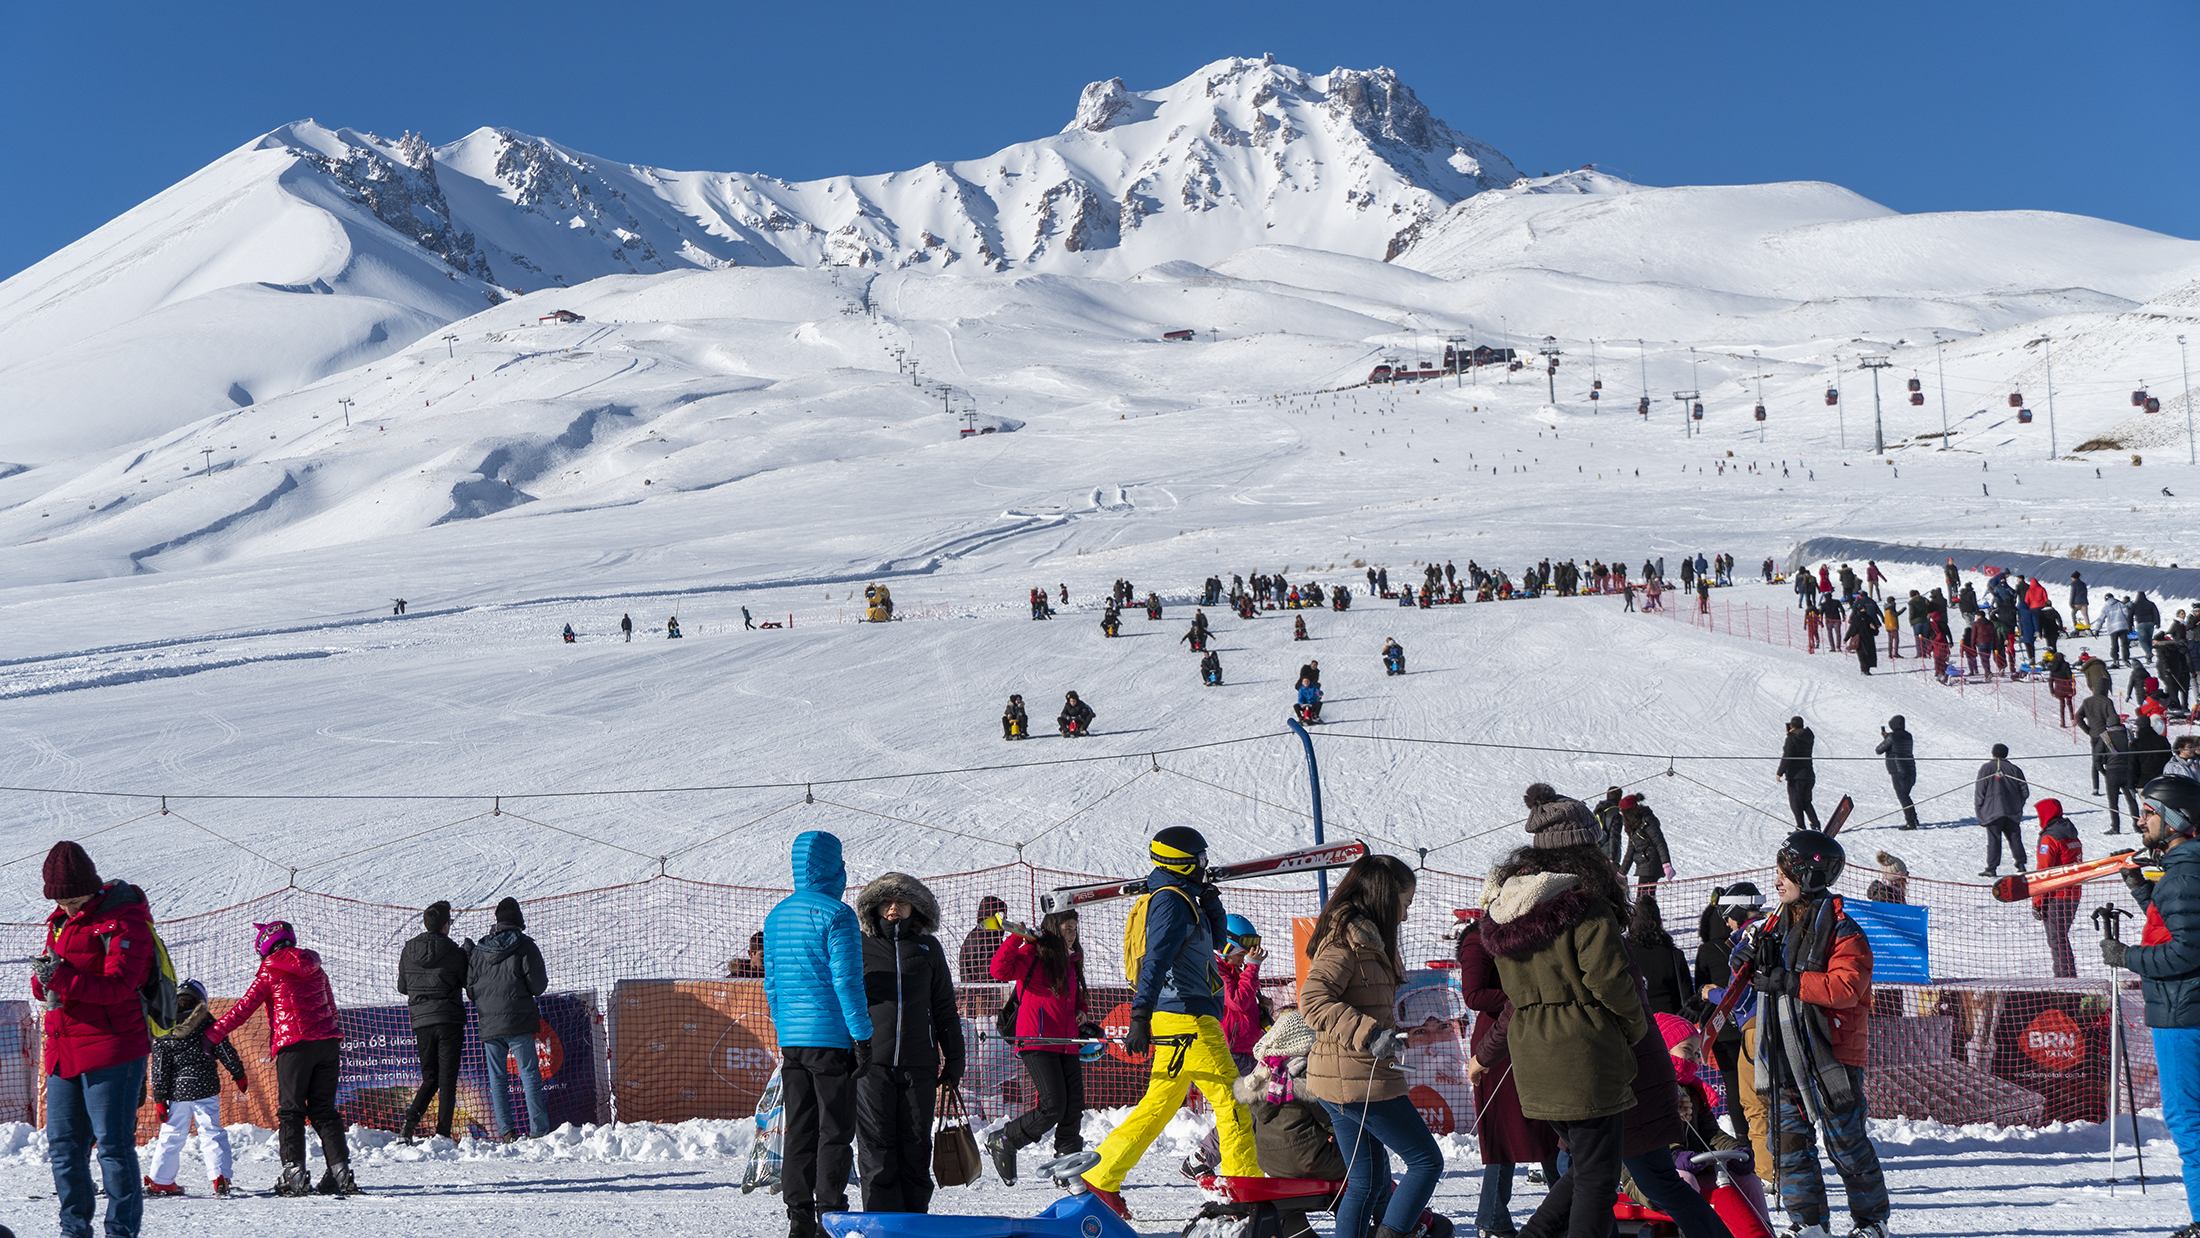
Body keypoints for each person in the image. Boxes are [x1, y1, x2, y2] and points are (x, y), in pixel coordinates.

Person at [1479, 785, 1652, 1238]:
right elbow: (1610, 981)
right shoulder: (1585, 907)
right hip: (1584, 1053)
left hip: (1533, 1057)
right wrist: (1634, 1028)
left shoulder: (1506, 908)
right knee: (1597, 1177)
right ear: (1585, 850)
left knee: (1587, 1166)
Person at [1081, 827, 1255, 1219]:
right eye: (1202, 860)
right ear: (1184, 862)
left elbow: (1208, 944)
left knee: (1160, 1103)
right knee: (1234, 1103)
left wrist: (1211, 903)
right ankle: (1247, 1189)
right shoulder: (1171, 903)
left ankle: (1102, 1173)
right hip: (1190, 1019)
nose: (1206, 866)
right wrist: (1139, 1014)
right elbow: (1155, 961)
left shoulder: (1183, 899)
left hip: (1180, 1018)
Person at [1743, 830, 1889, 1238]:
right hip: (1784, 1054)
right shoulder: (1775, 926)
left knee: (1846, 1145)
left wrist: (1789, 981)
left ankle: (1872, 1222)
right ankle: (1808, 1224)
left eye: (1783, 872)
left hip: (1832, 1056)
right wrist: (1745, 957)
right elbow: (1758, 971)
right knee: (1788, 1147)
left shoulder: (1845, 931)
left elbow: (1845, 989)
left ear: (1806, 876)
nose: (1776, 880)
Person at [1301, 854, 1448, 1238]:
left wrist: (1386, 1033)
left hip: (1346, 1078)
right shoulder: (1345, 940)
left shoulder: (1364, 938)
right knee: (1426, 1161)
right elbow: (1313, 1000)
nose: (1404, 916)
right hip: (1356, 1077)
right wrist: (1369, 1033)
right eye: (1404, 904)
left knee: (1366, 1181)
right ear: (1384, 897)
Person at [35, 841, 155, 1234]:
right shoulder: (59, 922)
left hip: (113, 1048)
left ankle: (120, 1231)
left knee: (113, 1149)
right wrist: (43, 980)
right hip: (63, 1048)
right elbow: (54, 986)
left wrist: (63, 978)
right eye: (60, 900)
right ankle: (74, 1229)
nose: (67, 907)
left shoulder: (125, 919)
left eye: (73, 899)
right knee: (63, 1149)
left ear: (92, 886)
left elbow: (121, 986)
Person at [2099, 774, 2200, 1238]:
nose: (2140, 821)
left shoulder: (2183, 874)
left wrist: (2126, 957)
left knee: (2187, 1117)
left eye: (2149, 812)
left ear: (2176, 818)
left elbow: (2185, 952)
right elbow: (2176, 927)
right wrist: (2142, 889)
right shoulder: (2183, 871)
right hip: (2185, 1008)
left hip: (2183, 1012)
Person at [764, 831, 874, 1238]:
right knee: (836, 1131)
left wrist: (785, 1027)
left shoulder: (776, 915)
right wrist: (862, 1037)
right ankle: (831, 1213)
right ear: (836, 867)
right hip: (832, 1041)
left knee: (801, 1127)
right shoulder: (838, 914)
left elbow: (771, 984)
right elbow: (847, 982)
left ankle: (798, 1219)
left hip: (793, 1041)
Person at [206, 920, 353, 1197]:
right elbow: (332, 1007)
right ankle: (340, 1171)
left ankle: (294, 1173)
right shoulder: (315, 966)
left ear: (265, 945)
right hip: (327, 1043)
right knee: (324, 1111)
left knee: (292, 1111)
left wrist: (212, 1034)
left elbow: (243, 1009)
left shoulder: (270, 970)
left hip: (294, 1046)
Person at [853, 872, 964, 1214]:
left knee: (916, 1145)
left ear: (914, 908)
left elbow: (945, 1006)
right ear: (875, 907)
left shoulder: (929, 948)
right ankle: (882, 1224)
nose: (893, 909)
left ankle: (915, 1220)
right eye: (887, 902)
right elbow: (847, 999)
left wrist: (955, 1059)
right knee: (876, 1147)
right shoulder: (859, 946)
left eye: (901, 902)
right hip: (872, 1064)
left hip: (920, 1063)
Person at [1457, 907, 1561, 1237]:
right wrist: (1527, 996)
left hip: (1528, 1037)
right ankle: (1492, 1218)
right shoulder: (1477, 941)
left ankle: (1569, 1207)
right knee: (1505, 1134)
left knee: (1549, 1129)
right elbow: (1473, 995)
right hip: (1498, 1043)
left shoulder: (1516, 938)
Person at [986, 911, 1096, 1184]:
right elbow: (998, 970)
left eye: (1074, 928)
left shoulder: (1071, 959)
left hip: (1066, 1042)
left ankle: (1067, 1160)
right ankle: (1007, 1138)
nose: (1072, 933)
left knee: (1072, 1106)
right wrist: (1015, 938)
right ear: (1052, 928)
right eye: (1067, 927)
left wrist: (1081, 1011)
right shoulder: (1033, 954)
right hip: (1036, 1039)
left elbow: (1074, 995)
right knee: (1052, 1105)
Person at [143, 979, 247, 1198]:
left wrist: (160, 1098)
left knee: (171, 1134)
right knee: (211, 1132)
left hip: (178, 1094)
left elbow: (159, 1069)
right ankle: (220, 1177)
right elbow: (225, 1050)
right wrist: (238, 1073)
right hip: (205, 1089)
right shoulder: (208, 1024)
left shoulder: (165, 1028)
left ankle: (161, 1180)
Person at [1695, 883, 1764, 1159]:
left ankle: (1756, 1157)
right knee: (1768, 1093)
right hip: (1775, 1024)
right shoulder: (1770, 932)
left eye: (1728, 914)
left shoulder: (1741, 945)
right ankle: (1777, 1156)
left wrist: (1711, 994)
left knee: (1745, 1095)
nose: (1726, 921)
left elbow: (1738, 996)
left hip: (1745, 1025)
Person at [397, 899, 472, 1143]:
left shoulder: (408, 949)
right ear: (445, 925)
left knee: (430, 1078)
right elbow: (466, 982)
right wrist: (468, 956)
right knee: (447, 1080)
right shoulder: (454, 951)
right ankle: (443, 1135)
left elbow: (402, 987)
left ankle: (409, 1122)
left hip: (422, 1021)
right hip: (448, 1020)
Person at [2032, 800, 2080, 978]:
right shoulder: (2071, 833)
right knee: (2061, 937)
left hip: (2056, 895)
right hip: (2073, 892)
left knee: (2057, 939)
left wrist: (2037, 901)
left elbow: (2043, 872)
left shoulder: (2049, 837)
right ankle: (2066, 977)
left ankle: (2065, 980)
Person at [1628, 894, 1697, 1019]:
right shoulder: (1674, 955)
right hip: (1670, 1025)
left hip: (1635, 1025)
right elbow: (1688, 997)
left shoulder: (1624, 954)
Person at [1974, 743, 2030, 878]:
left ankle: (1992, 868)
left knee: (1994, 839)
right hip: (2012, 811)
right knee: (2015, 837)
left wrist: (1979, 810)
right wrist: (2018, 805)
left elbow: (1980, 791)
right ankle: (2021, 864)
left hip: (1992, 811)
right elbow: (2025, 792)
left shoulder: (1986, 768)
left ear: (1993, 754)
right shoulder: (2014, 769)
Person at [1617, 794, 1673, 892]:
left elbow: (1659, 842)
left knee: (1643, 900)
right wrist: (1621, 873)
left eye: (1623, 813)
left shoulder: (1647, 821)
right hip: (1644, 865)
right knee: (1644, 900)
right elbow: (1631, 850)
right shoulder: (1634, 825)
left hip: (1651, 864)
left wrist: (1666, 864)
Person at [1776, 716, 1821, 830]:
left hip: (1795, 776)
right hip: (1808, 774)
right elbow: (1800, 740)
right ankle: (1815, 825)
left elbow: (1788, 755)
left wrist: (1780, 772)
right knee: (1806, 802)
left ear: (1791, 726)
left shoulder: (1792, 738)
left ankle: (1800, 827)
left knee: (1796, 803)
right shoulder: (1809, 736)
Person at [1875, 717, 1919, 830]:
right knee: (1906, 796)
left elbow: (1879, 750)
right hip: (1911, 770)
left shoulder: (1892, 736)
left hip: (1898, 771)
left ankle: (1911, 823)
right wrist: (1888, 738)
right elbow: (1897, 745)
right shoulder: (1908, 735)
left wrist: (1886, 739)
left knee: (1903, 797)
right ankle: (1914, 819)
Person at [959, 895, 1009, 983]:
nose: (1004, 921)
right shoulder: (991, 940)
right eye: (1002, 916)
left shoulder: (972, 935)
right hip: (988, 995)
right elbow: (991, 975)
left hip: (970, 993)